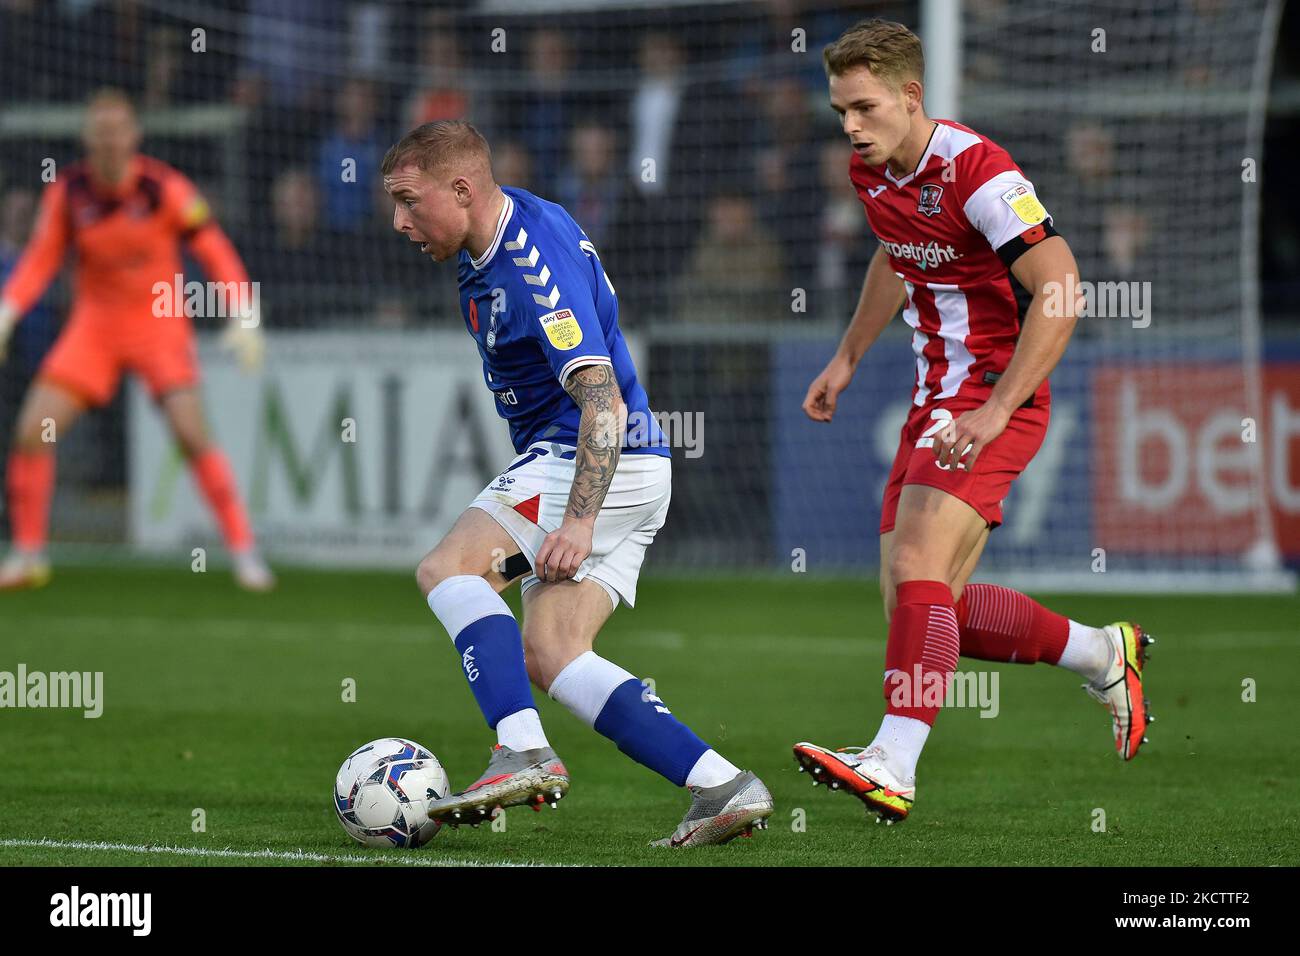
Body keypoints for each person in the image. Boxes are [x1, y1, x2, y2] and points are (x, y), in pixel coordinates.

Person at [793, 20, 1154, 823]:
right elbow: (894, 252)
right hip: (934, 398)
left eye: (864, 107)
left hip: (995, 391)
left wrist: (996, 408)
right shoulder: (872, 167)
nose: (850, 126)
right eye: (839, 110)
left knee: (919, 560)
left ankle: (893, 761)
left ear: (910, 97)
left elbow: (1061, 288)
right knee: (923, 607)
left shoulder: (978, 171)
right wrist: (848, 358)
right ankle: (1101, 652)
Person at [381, 120, 773, 847]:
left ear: (461, 189)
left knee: (448, 569)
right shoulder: (494, 234)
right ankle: (721, 783)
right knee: (553, 651)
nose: (399, 221)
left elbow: (602, 403)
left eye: (409, 201)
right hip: (632, 468)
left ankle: (521, 749)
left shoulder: (532, 263)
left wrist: (580, 522)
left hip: (591, 456)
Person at [0, 89, 272, 592]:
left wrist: (242, 311)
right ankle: (29, 554)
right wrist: (8, 309)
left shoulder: (163, 187)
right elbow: (40, 258)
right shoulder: (68, 192)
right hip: (94, 326)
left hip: (157, 323)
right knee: (33, 430)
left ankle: (243, 550)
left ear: (133, 135)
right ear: (86, 137)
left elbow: (212, 246)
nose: (107, 139)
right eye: (98, 130)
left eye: (116, 129)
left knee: (193, 436)